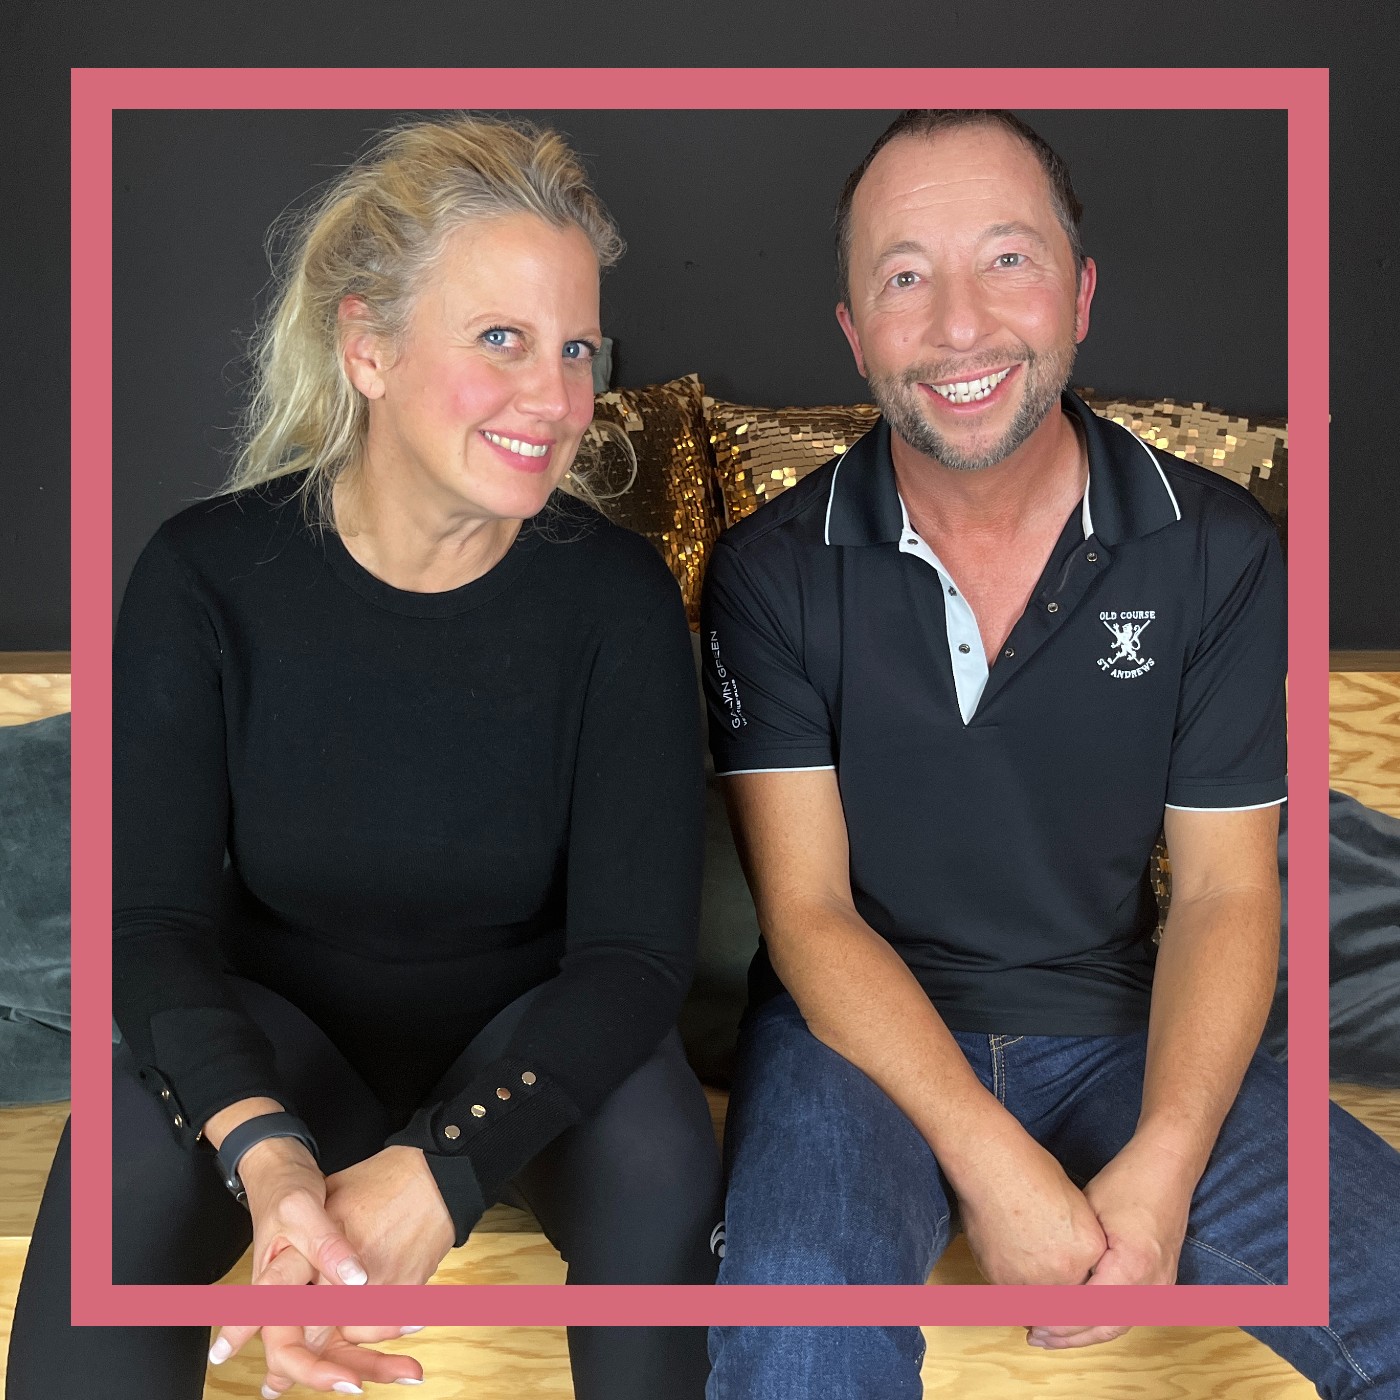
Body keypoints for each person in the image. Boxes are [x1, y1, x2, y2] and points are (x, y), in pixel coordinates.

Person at [8, 113, 721, 1400]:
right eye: (499, 338)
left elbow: (633, 959)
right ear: (367, 347)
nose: (556, 398)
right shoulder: (205, 574)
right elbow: (151, 925)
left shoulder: (613, 598)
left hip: (528, 1051)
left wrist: (441, 1168)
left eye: (575, 348)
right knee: (120, 1154)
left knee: (661, 1149)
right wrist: (269, 1156)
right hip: (282, 1046)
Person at [700, 109, 1400, 1397]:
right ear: (853, 330)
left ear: (1077, 293)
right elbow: (806, 914)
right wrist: (994, 1166)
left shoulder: (1218, 549)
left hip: (1121, 1025)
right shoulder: (769, 569)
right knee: (796, 1347)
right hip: (852, 1041)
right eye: (904, 276)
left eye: (1006, 259)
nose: (958, 324)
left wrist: (1164, 1167)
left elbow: (1226, 893)